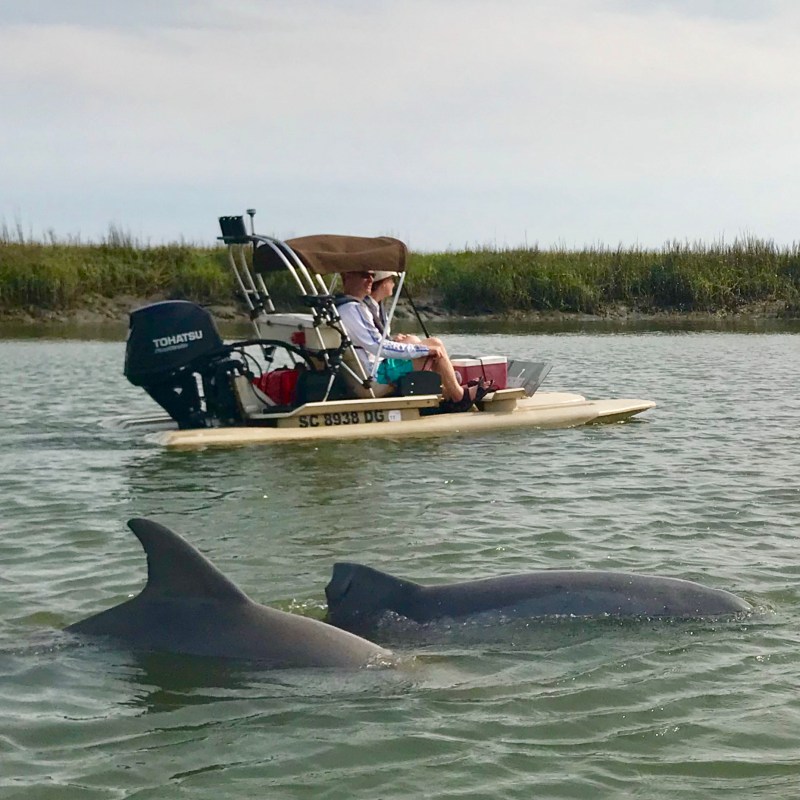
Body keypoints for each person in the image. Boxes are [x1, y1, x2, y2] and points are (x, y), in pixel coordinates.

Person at [334, 270, 489, 410]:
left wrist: (405, 344)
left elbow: (371, 344)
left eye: (372, 275)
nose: (370, 279)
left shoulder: (346, 307)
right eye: (365, 275)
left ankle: (449, 388)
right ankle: (459, 397)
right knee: (434, 344)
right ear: (346, 276)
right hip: (374, 378)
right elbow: (378, 346)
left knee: (416, 340)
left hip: (367, 372)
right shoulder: (352, 309)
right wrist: (423, 350)